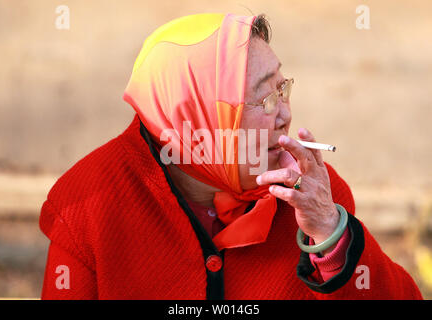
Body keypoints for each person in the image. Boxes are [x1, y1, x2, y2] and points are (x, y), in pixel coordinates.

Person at [40, 13, 422, 299]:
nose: (286, 114)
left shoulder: (314, 193)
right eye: (264, 99)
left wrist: (331, 235)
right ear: (195, 118)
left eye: (283, 88)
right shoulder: (87, 207)